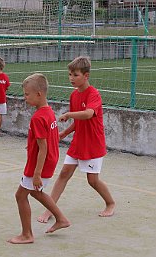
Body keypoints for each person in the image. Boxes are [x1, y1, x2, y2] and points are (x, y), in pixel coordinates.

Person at [38, 56, 115, 223]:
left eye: (75, 75)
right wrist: (64, 134)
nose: (71, 78)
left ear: (86, 76)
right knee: (64, 173)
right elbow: (78, 121)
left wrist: (68, 114)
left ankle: (110, 203)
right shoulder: (74, 95)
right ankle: (49, 210)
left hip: (93, 143)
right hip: (78, 142)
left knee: (92, 180)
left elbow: (87, 114)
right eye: (70, 74)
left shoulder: (94, 94)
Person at [7, 73, 70, 244]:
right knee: (36, 192)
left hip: (38, 164)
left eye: (27, 94)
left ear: (39, 94)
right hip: (50, 159)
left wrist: (36, 173)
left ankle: (27, 235)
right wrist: (32, 144)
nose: (24, 97)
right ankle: (61, 219)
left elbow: (43, 148)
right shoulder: (49, 113)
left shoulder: (37, 117)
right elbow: (50, 138)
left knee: (20, 196)